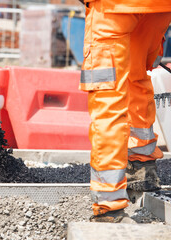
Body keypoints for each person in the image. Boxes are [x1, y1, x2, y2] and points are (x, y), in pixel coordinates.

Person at [79, 0, 171, 222]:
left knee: (107, 98)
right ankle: (141, 167)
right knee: (137, 77)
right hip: (159, 8)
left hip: (114, 6)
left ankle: (108, 207)